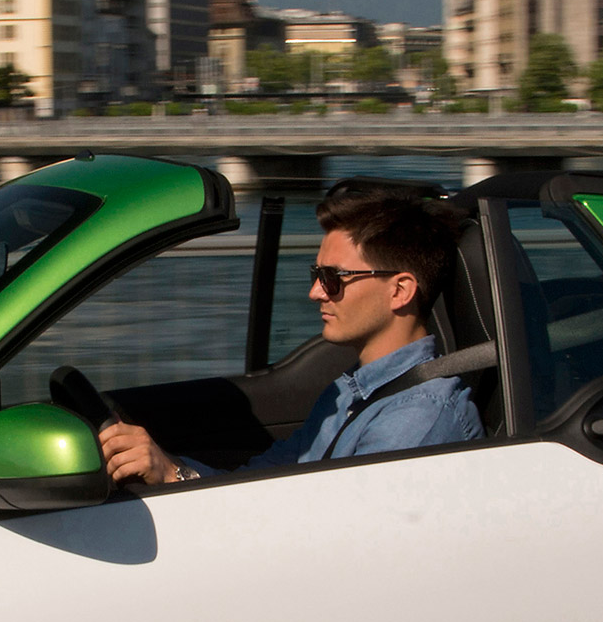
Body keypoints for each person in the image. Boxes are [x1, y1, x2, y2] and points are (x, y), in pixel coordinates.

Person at [98, 186, 483, 484]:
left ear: (399, 290)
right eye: (316, 275)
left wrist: (171, 475)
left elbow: (339, 544)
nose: (316, 292)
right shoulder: (348, 392)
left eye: (333, 278)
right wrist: (171, 469)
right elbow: (265, 480)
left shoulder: (417, 421)